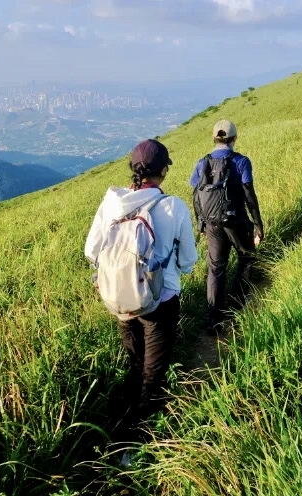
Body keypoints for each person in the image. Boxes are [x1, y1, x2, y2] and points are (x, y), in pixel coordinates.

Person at [83, 138, 199, 438]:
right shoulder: (173, 206)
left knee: (135, 366)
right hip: (161, 299)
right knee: (153, 374)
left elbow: (91, 250)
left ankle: (119, 426)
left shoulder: (111, 203)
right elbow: (188, 260)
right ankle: (141, 441)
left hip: (120, 299)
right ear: (163, 170)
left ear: (133, 169)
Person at [189, 119, 264, 333]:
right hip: (236, 221)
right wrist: (257, 224)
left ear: (214, 138)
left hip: (212, 224)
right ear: (234, 139)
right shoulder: (241, 162)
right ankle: (237, 306)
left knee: (215, 269)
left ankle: (213, 319)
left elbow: (196, 196)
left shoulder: (201, 163)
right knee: (247, 258)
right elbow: (249, 194)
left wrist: (200, 224)